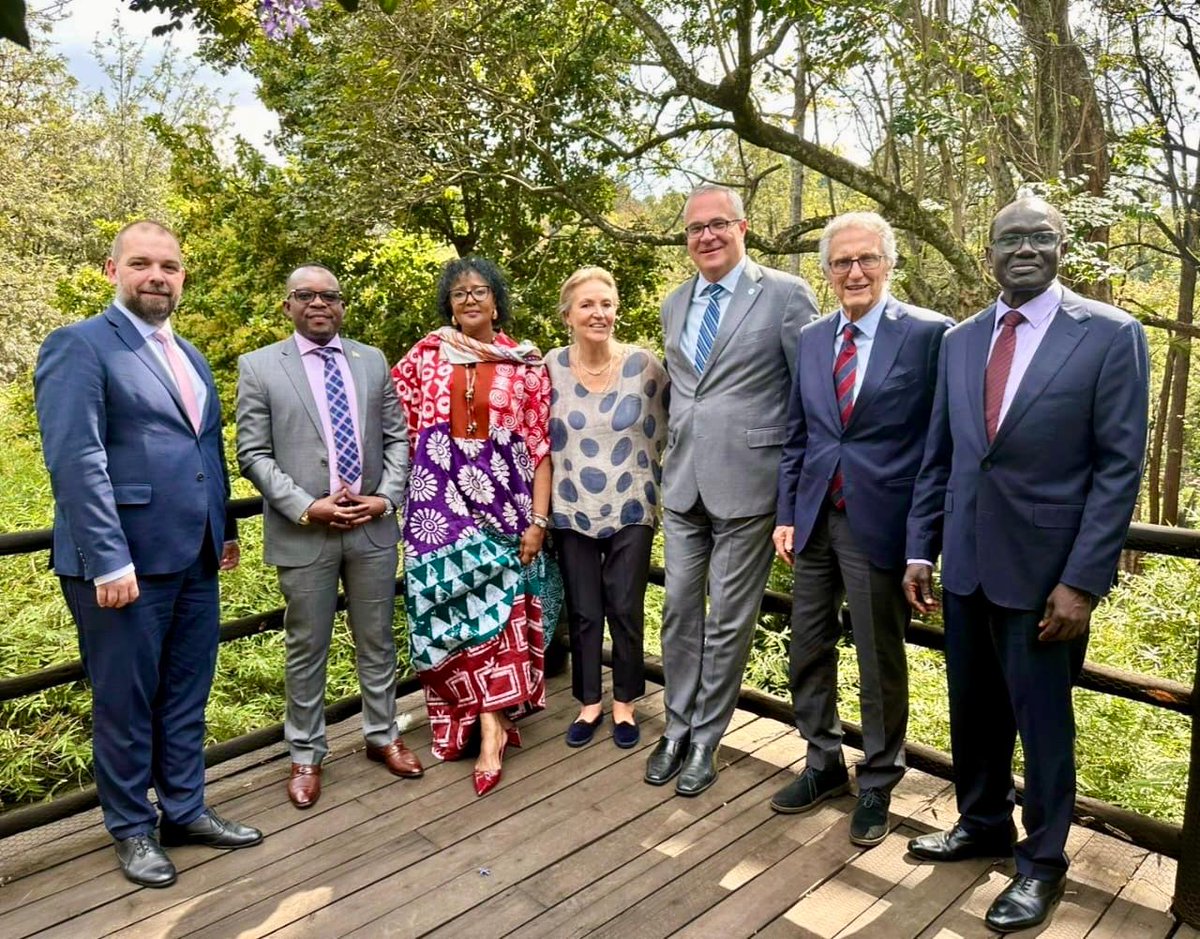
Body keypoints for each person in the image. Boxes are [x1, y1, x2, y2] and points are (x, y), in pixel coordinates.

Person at [903, 197, 1149, 933]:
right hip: (966, 564)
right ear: (990, 251)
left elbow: (1118, 466)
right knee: (973, 711)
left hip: (1048, 577)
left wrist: (1084, 579)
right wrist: (922, 545)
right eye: (1011, 237)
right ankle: (981, 822)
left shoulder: (1110, 335)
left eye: (1042, 236)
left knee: (1043, 726)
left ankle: (1041, 863)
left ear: (1063, 245)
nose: (1026, 248)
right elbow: (939, 453)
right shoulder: (960, 340)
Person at [33, 220, 261, 888]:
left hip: (192, 558)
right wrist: (107, 558)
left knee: (186, 693)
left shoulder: (187, 353)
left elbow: (204, 449)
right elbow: (76, 459)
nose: (157, 275)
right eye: (141, 263)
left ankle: (184, 809)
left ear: (183, 275)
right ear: (112, 270)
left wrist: (222, 530)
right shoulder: (78, 347)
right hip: (122, 567)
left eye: (169, 265)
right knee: (126, 703)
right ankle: (132, 827)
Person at [771, 212, 952, 846]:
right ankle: (822, 762)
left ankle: (878, 778)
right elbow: (800, 436)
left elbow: (940, 447)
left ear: (889, 263)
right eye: (841, 262)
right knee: (807, 648)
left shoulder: (932, 335)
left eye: (866, 259)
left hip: (883, 525)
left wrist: (922, 545)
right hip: (816, 519)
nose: (854, 272)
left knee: (879, 661)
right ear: (826, 271)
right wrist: (787, 513)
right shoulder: (815, 338)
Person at [647, 184, 819, 797]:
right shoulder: (674, 303)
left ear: (743, 228)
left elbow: (808, 394)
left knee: (728, 620)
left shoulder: (785, 294)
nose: (707, 236)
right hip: (684, 479)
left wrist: (797, 495)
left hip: (751, 483)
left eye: (718, 224)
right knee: (677, 612)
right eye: (695, 228)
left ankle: (705, 739)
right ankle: (675, 726)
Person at [236, 264, 421, 811]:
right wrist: (305, 505)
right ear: (288, 306)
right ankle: (306, 754)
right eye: (305, 295)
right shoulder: (259, 366)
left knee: (378, 640)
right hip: (305, 532)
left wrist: (386, 497)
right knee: (306, 647)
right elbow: (252, 452)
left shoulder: (371, 361)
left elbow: (397, 438)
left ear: (342, 306)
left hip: (372, 527)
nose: (319, 303)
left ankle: (382, 735)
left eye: (330, 296)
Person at [392, 257, 555, 797]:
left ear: (496, 300)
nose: (469, 300)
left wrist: (538, 519)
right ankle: (475, 720)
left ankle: (490, 731)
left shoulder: (525, 363)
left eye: (479, 291)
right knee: (443, 617)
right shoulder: (425, 356)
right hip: (436, 514)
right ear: (449, 304)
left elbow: (539, 449)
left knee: (499, 620)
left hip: (504, 511)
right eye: (458, 293)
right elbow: (388, 420)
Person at [545, 267, 668, 749]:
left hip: (633, 503)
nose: (599, 313)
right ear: (568, 315)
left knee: (624, 606)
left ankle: (625, 704)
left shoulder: (645, 366)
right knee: (584, 611)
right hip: (571, 505)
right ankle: (589, 703)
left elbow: (673, 426)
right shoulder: (548, 368)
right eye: (587, 305)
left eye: (606, 303)